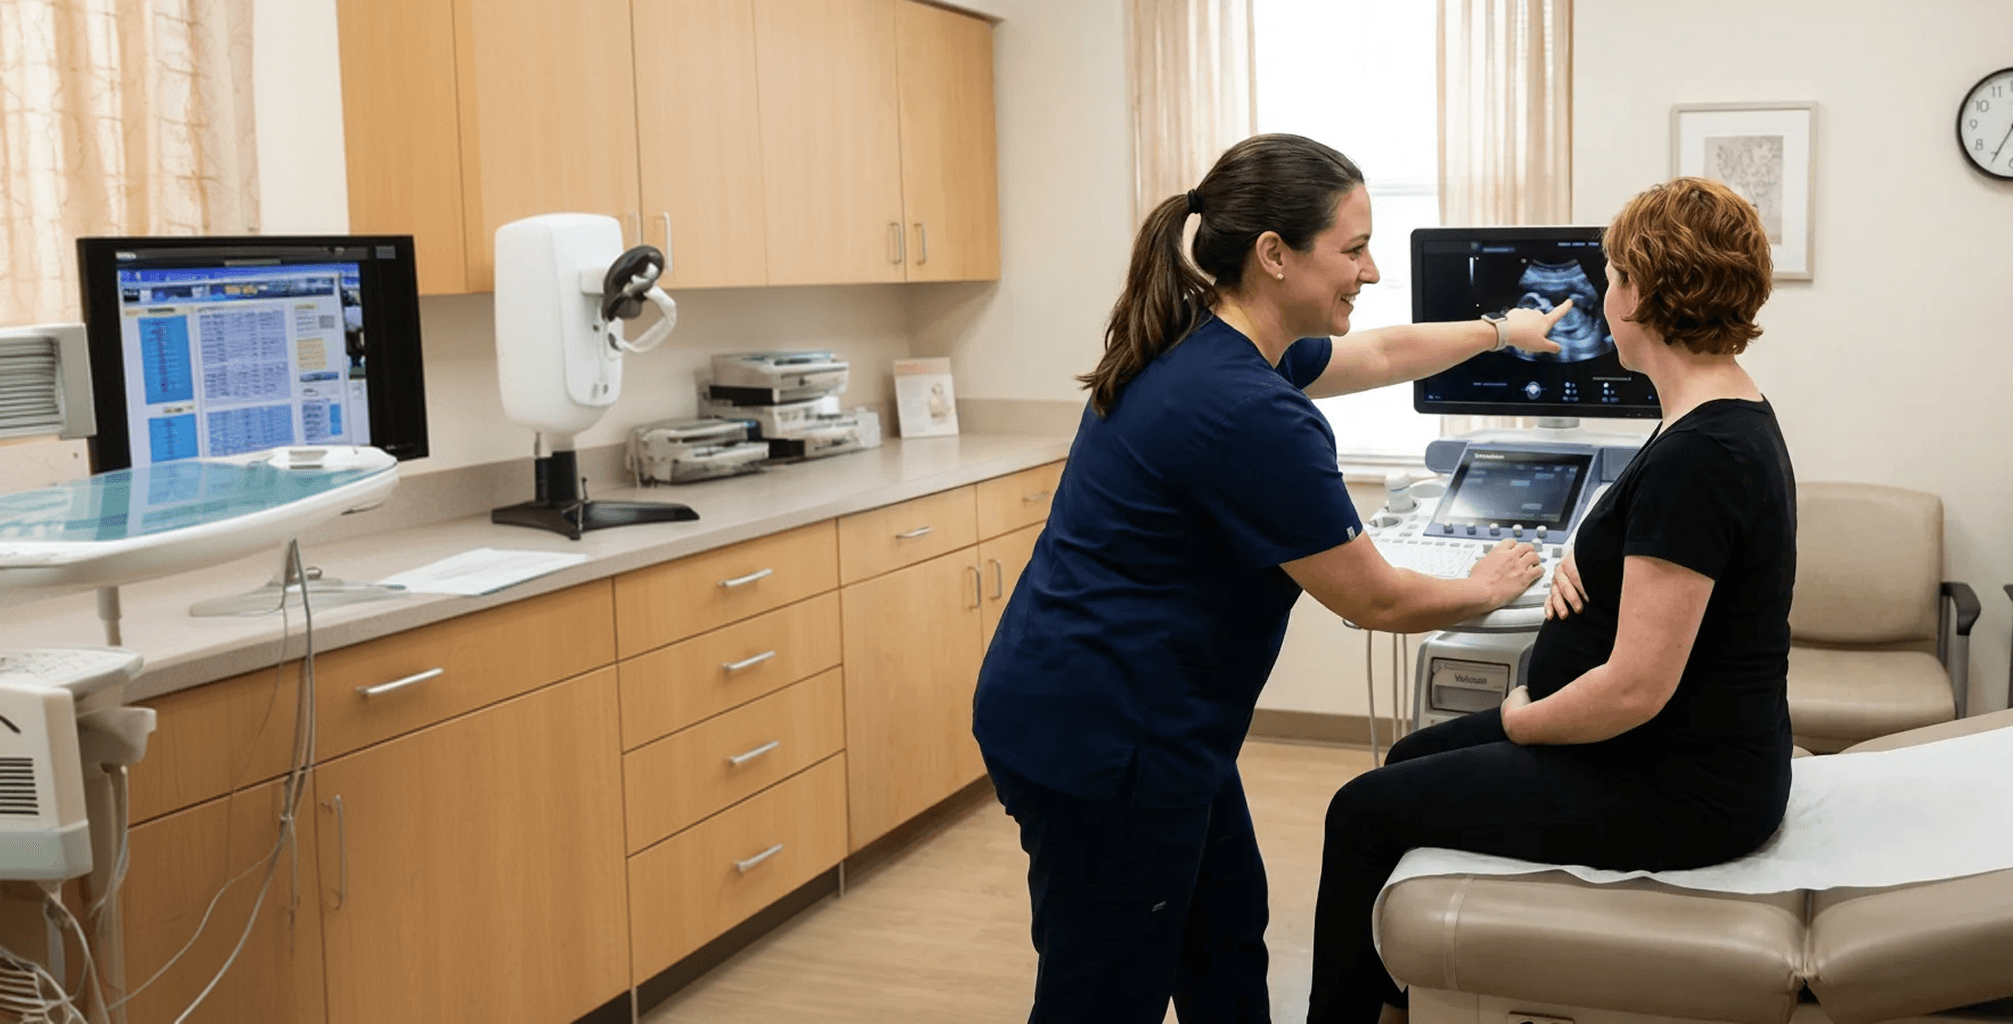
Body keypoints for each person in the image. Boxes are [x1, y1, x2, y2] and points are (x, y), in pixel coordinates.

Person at [971, 132, 1570, 1024]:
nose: (1369, 273)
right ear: (1273, 255)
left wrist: (1500, 333)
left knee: (1223, 939)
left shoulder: (1211, 342)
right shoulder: (1246, 412)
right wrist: (1483, 587)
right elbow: (1370, 595)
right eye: (1354, 250)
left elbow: (1380, 354)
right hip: (1105, 739)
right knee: (1104, 988)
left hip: (1142, 721)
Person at [1305, 176, 1796, 1024]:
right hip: (1662, 756)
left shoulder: (1702, 453)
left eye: (1609, 275)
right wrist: (1595, 568)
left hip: (1678, 788)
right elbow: (1671, 577)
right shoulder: (1712, 417)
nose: (1602, 294)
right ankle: (1393, 1006)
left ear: (1637, 293)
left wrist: (1517, 714)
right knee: (1401, 765)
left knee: (1359, 811)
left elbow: (1636, 689)